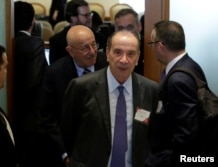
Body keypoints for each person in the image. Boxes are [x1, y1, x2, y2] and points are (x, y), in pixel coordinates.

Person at [60, 30, 158, 167]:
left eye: (131, 54)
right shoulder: (81, 87)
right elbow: (67, 133)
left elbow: (153, 135)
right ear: (107, 53)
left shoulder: (150, 90)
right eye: (118, 52)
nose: (124, 60)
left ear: (138, 58)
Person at [39, 25, 108, 167]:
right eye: (85, 48)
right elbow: (49, 117)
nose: (92, 51)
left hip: (105, 147)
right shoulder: (55, 73)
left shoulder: (108, 64)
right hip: (71, 149)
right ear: (70, 51)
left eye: (94, 44)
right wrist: (64, 153)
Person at [146, 20, 211, 167]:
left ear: (160, 46)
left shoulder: (178, 79)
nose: (152, 48)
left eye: (152, 44)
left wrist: (166, 162)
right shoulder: (191, 65)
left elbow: (186, 133)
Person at [13, 1, 49, 166]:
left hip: (12, 109)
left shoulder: (6, 39)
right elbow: (34, 80)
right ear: (32, 21)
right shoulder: (34, 43)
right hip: (32, 116)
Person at [114, 8, 144, 75]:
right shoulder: (110, 47)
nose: (125, 32)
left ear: (139, 27)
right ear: (115, 30)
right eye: (120, 28)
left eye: (129, 28)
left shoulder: (149, 48)